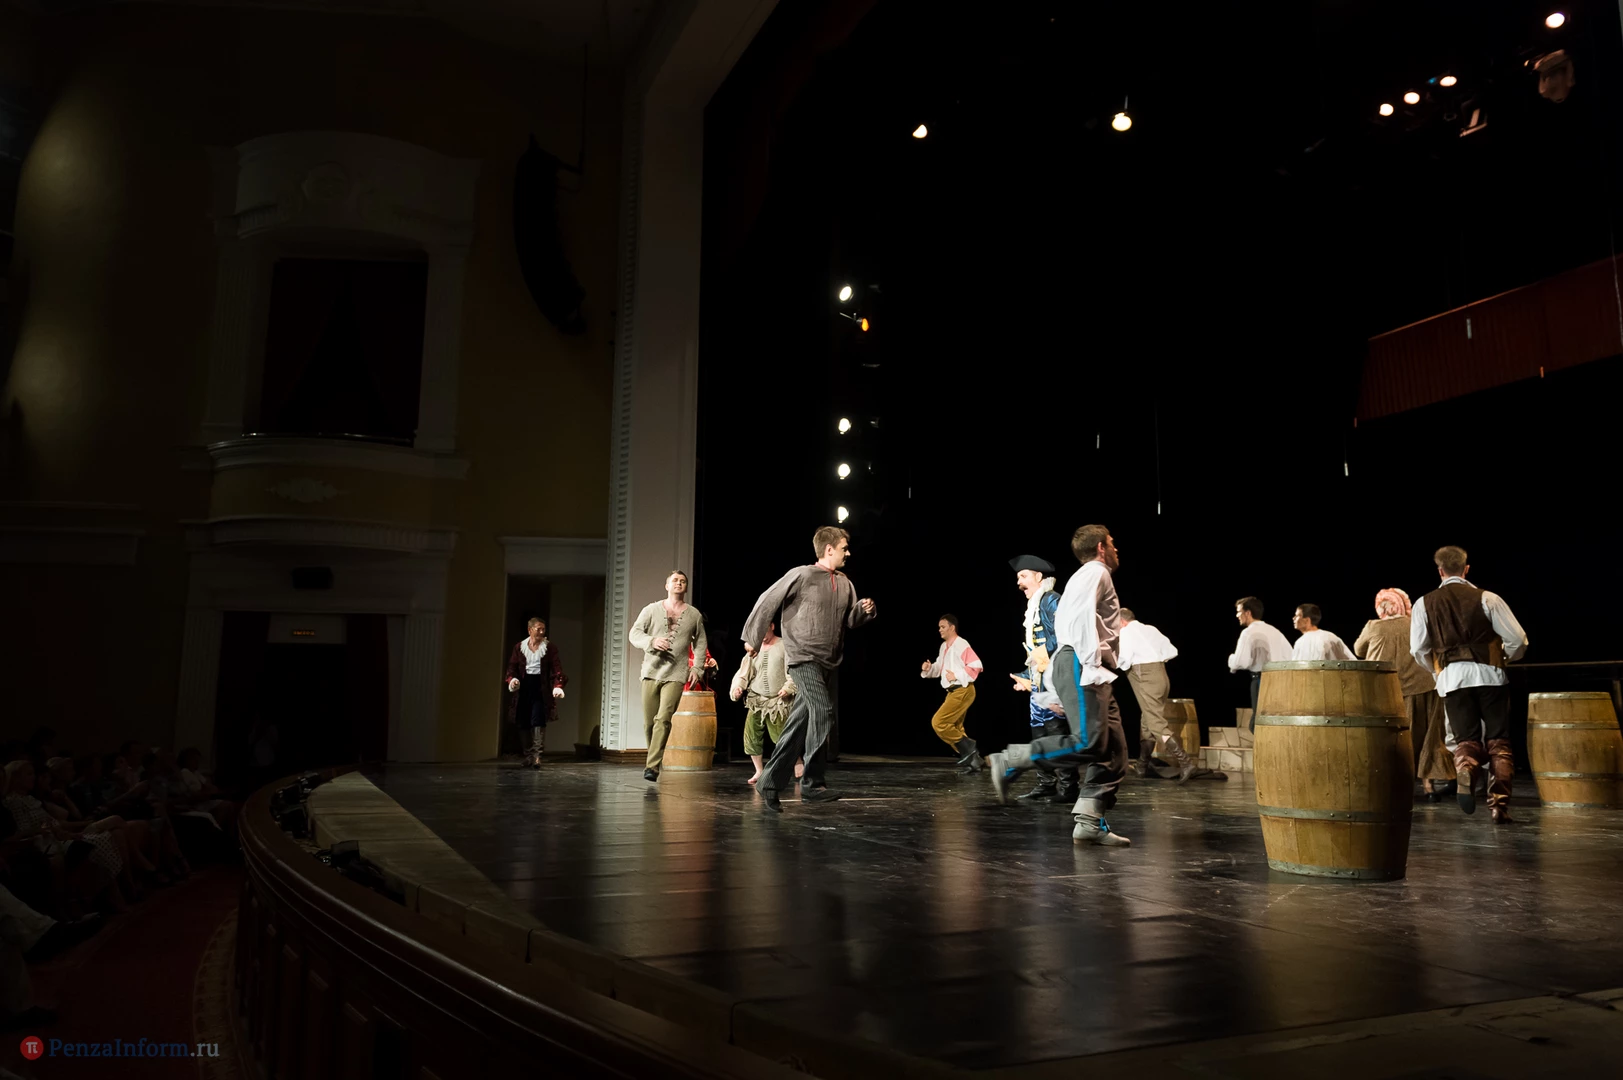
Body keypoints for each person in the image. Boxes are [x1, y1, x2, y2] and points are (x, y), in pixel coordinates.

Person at [989, 525, 1132, 848]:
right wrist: (1088, 669)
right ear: (1100, 547)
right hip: (1085, 663)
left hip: (1090, 665)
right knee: (1089, 743)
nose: (1115, 548)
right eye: (1111, 542)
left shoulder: (1081, 579)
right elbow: (1078, 623)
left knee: (1113, 751)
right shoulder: (1095, 572)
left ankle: (1089, 821)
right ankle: (1013, 760)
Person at [740, 526, 877, 811]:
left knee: (798, 723)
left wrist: (864, 611)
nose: (848, 553)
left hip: (828, 660)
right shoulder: (802, 575)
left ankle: (769, 782)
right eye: (844, 548)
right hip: (803, 657)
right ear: (829, 549)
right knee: (823, 711)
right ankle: (812, 784)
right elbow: (768, 600)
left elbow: (850, 620)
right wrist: (753, 637)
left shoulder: (845, 583)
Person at [1411, 546, 1528, 824]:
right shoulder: (1488, 598)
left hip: (1453, 680)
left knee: (1466, 740)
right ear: (1466, 569)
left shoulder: (1424, 603)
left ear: (1440, 571)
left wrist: (1439, 672)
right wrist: (1502, 659)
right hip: (1491, 677)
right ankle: (1499, 806)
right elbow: (1518, 639)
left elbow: (1418, 649)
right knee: (1498, 742)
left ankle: (1465, 769)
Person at [1355, 588, 1456, 800]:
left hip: (1388, 690)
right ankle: (1429, 786)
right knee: (1429, 735)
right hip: (1424, 686)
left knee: (1395, 736)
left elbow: (1359, 650)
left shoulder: (1374, 626)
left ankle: (1397, 784)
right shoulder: (1415, 624)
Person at [1007, 555, 1075, 803]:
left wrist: (1040, 667)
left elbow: (1061, 636)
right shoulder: (1035, 604)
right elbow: (1036, 648)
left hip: (1054, 678)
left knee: (1055, 732)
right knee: (1039, 732)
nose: (1019, 582)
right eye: (1018, 577)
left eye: (1023, 576)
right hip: (1041, 679)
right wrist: (1027, 676)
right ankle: (1046, 783)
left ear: (1038, 576)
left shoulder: (1050, 600)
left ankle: (1068, 787)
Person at [628, 571, 707, 783]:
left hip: (676, 673)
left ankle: (652, 766)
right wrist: (652, 641)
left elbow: (700, 643)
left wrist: (697, 669)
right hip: (651, 671)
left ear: (686, 587)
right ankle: (654, 757)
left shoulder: (693, 615)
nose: (679, 583)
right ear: (667, 586)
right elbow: (634, 634)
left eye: (683, 581)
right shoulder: (651, 610)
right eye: (675, 581)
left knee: (663, 719)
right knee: (649, 723)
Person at [1117, 608, 1196, 782]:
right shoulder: (1150, 629)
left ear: (1122, 621)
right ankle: (1142, 765)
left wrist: (1110, 660)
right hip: (1161, 675)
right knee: (1147, 721)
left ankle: (1185, 762)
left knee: (1155, 723)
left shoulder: (1126, 632)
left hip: (1145, 677)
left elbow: (1124, 660)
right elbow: (1172, 651)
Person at [729, 622, 800, 786]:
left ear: (772, 626)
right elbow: (743, 673)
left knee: (781, 735)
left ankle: (797, 761)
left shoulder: (784, 646)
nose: (761, 635)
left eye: (763, 630)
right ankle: (759, 770)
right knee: (752, 734)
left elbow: (792, 670)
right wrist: (738, 688)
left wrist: (788, 687)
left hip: (777, 701)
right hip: (757, 699)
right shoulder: (754, 649)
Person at [920, 615, 984, 772]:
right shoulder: (944, 646)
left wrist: (956, 675)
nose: (939, 630)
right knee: (956, 727)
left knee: (939, 722)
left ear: (952, 627)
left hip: (963, 690)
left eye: (942, 627)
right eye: (939, 627)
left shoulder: (961, 644)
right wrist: (929, 668)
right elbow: (940, 668)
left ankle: (969, 747)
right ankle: (974, 761)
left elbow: (976, 665)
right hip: (953, 691)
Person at [505, 617, 567, 769]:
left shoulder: (549, 648)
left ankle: (537, 755)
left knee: (538, 719)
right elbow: (512, 668)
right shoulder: (519, 647)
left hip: (540, 687)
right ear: (530, 630)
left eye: (543, 629)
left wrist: (557, 685)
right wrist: (513, 680)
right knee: (523, 720)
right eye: (538, 629)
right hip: (524, 687)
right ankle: (528, 756)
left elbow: (557, 668)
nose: (541, 632)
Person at [1228, 597, 1292, 723]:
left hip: (1261, 680)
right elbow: (1291, 656)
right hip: (1281, 680)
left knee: (1259, 722)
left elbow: (1241, 662)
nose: (1237, 615)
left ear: (1248, 613)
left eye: (1239, 612)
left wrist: (1231, 659)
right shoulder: (1275, 631)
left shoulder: (1248, 633)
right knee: (1273, 719)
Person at [1290, 604, 1356, 661]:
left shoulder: (1328, 637)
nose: (1293, 618)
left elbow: (1350, 662)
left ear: (1307, 620)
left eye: (1297, 615)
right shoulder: (1299, 642)